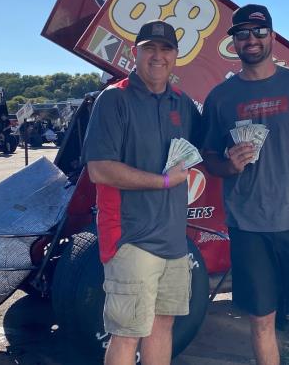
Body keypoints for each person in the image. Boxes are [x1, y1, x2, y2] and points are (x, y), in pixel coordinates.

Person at [202, 4, 289, 365]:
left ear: (273, 37)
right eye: (242, 33)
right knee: (261, 322)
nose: (251, 39)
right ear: (233, 42)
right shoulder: (220, 97)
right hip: (249, 227)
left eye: (259, 32)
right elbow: (209, 159)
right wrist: (229, 165)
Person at [81, 20, 201, 365]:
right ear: (135, 53)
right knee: (127, 333)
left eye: (166, 49)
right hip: (131, 239)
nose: (158, 56)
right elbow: (99, 169)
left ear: (176, 56)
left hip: (175, 242)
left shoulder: (182, 103)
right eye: (150, 48)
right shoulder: (114, 99)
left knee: (163, 326)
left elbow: (208, 149)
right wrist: (162, 181)